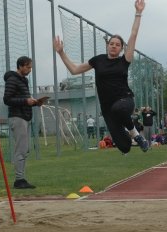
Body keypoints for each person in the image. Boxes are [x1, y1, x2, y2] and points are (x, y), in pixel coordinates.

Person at [54, 0, 148, 154]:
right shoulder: (98, 60)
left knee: (119, 108)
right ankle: (129, 136)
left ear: (121, 48)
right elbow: (74, 69)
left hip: (125, 101)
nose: (114, 46)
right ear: (107, 45)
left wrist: (138, 13)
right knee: (124, 147)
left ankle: (137, 136)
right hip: (107, 109)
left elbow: (133, 34)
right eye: (112, 43)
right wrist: (61, 52)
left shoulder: (125, 60)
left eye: (118, 44)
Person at [3, 56, 45, 189]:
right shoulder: (12, 79)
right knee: (21, 149)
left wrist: (34, 103)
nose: (30, 69)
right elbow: (7, 99)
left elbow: (22, 98)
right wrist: (26, 101)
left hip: (25, 116)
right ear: (20, 66)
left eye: (31, 67)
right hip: (17, 117)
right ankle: (19, 180)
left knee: (24, 148)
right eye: (28, 67)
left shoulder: (23, 80)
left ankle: (21, 178)